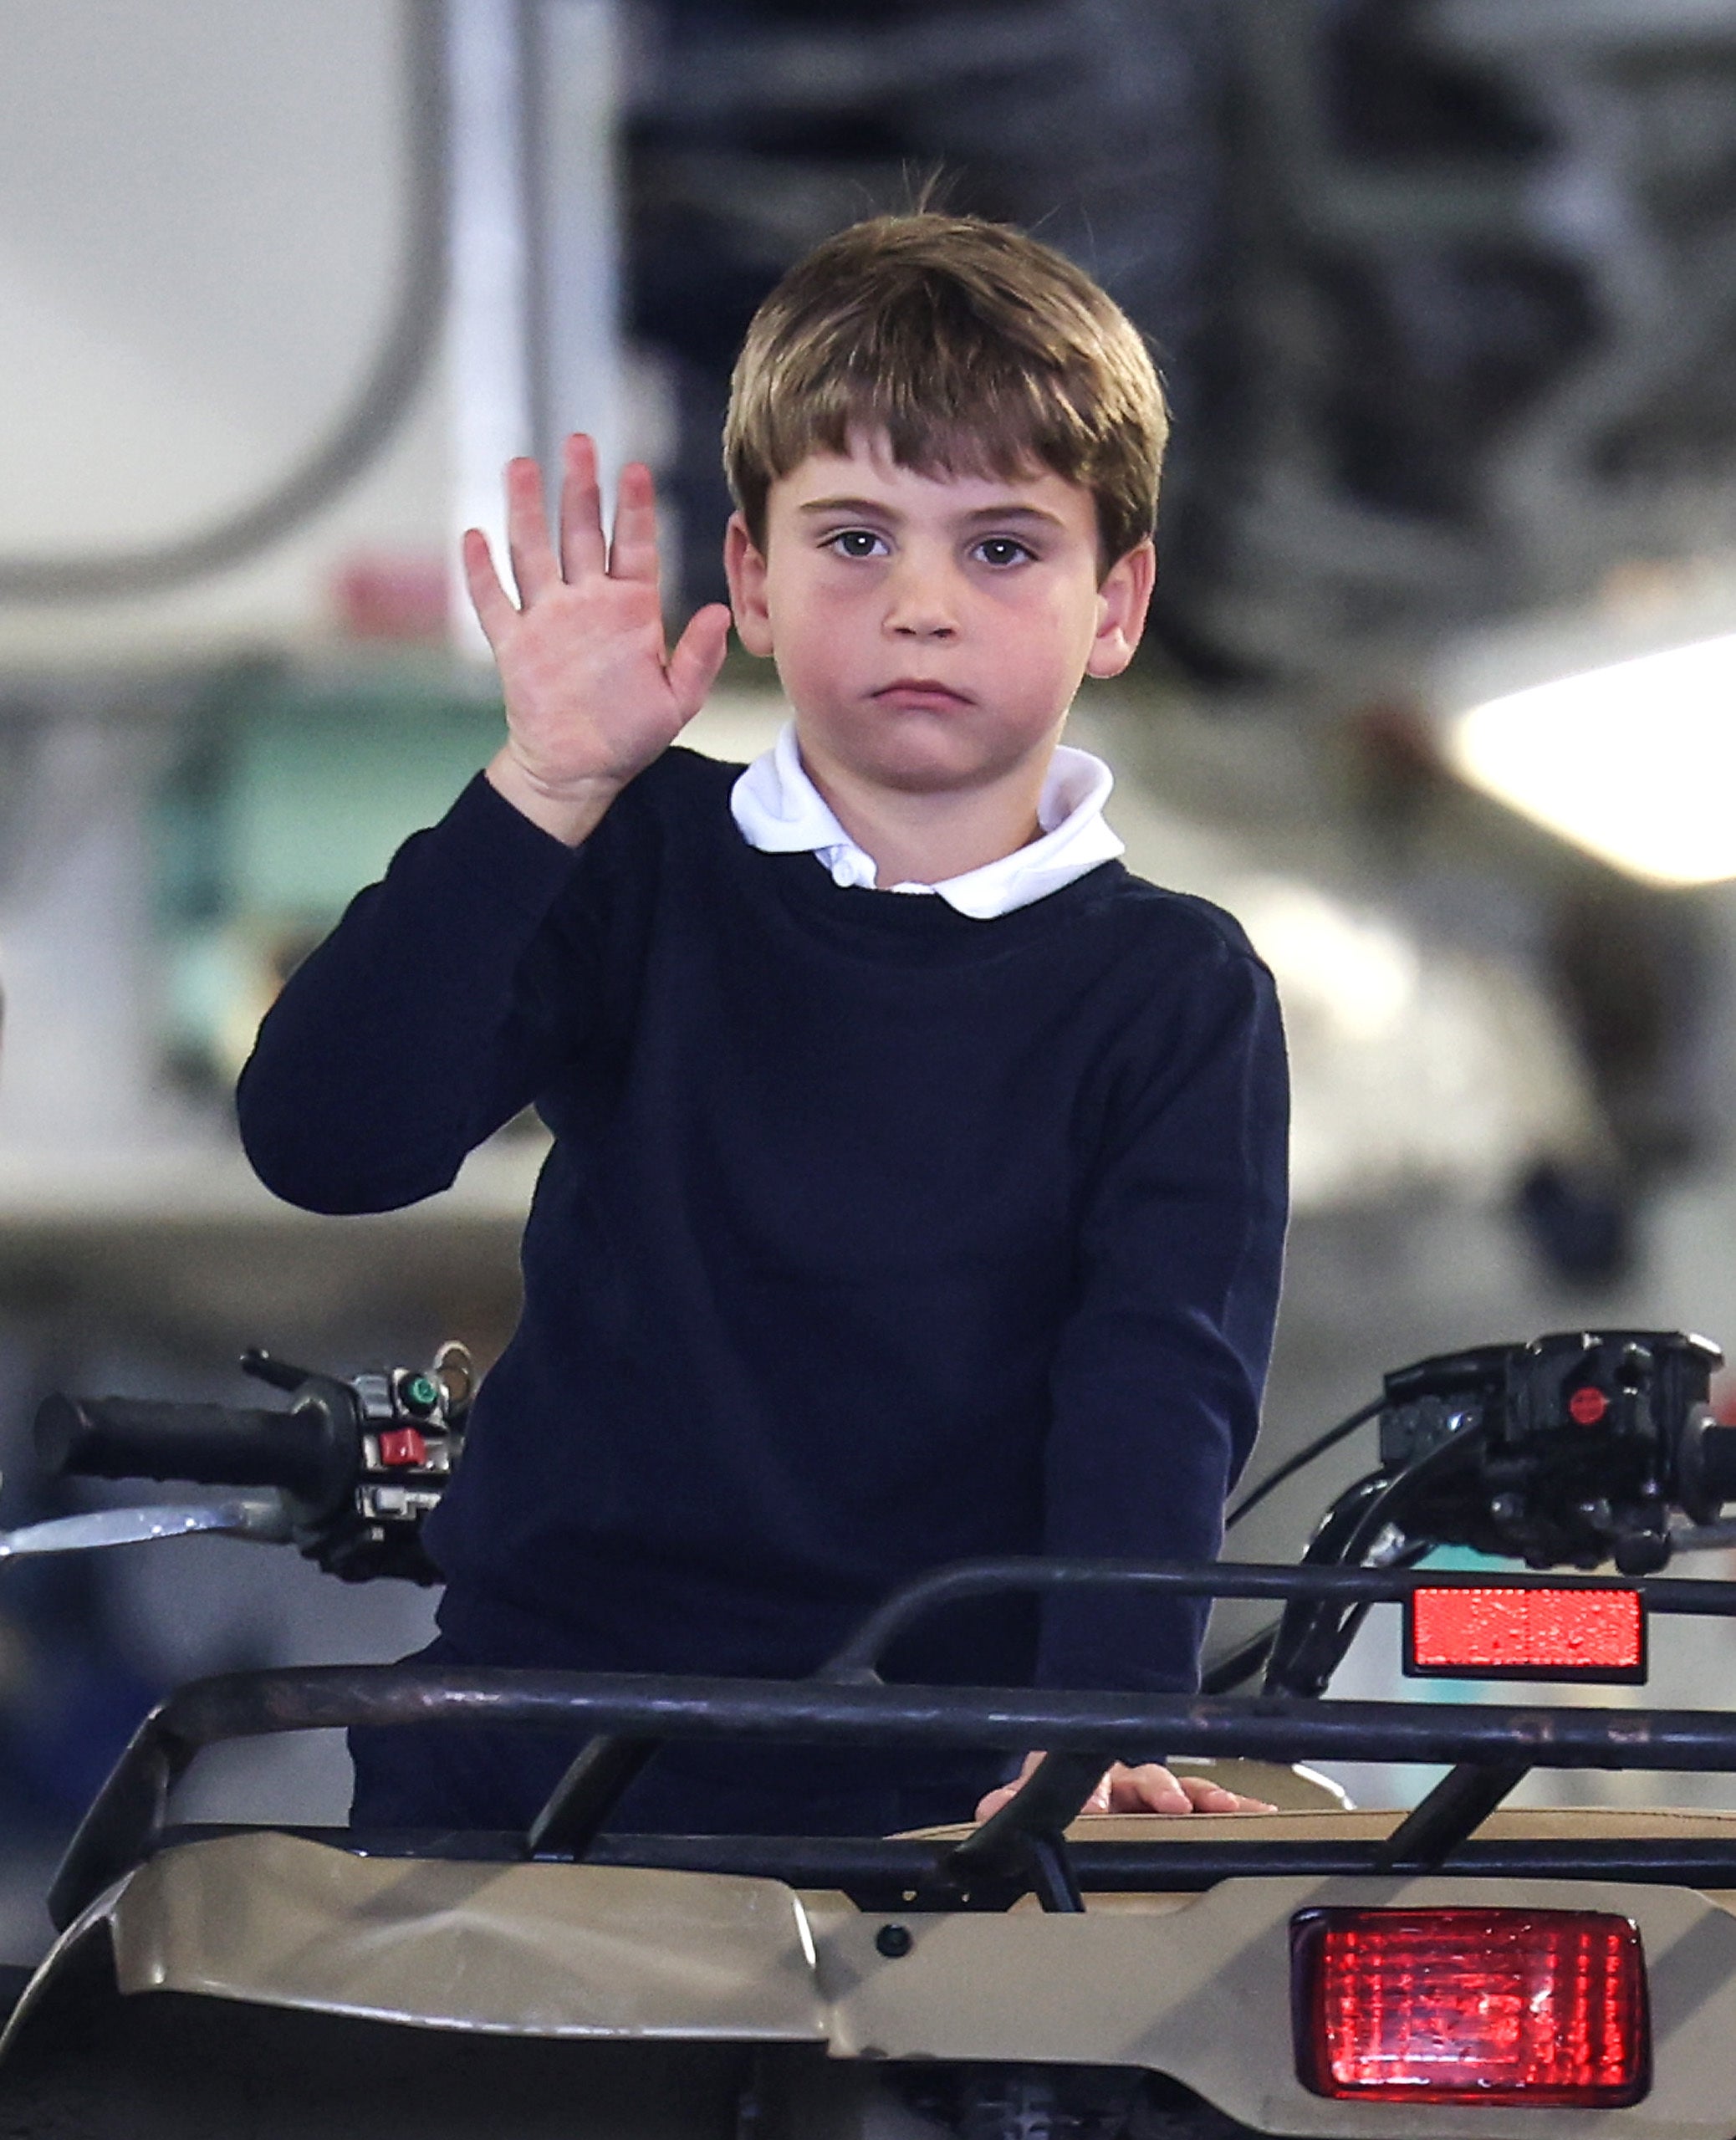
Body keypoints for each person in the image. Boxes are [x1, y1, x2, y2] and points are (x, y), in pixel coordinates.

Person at [237, 212, 1289, 1839]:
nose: (922, 604)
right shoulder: (637, 855)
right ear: (752, 578)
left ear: (1117, 602)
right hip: (537, 1745)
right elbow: (327, 1142)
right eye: (855, 539)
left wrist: (1096, 1736)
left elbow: (1157, 1384)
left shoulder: (1174, 991)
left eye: (1002, 547)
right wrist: (545, 788)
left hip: (944, 1792)